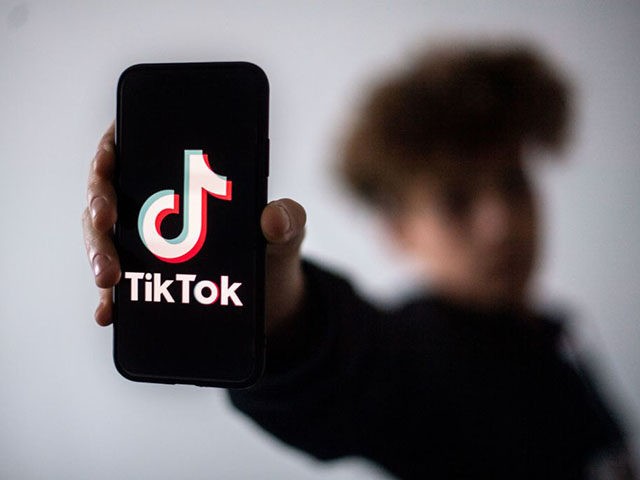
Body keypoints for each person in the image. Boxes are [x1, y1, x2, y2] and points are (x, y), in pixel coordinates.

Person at [83, 41, 636, 479]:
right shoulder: (422, 356)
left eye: (513, 184)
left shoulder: (554, 338)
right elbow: (355, 371)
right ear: (399, 231)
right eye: (455, 201)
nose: (501, 223)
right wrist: (276, 319)